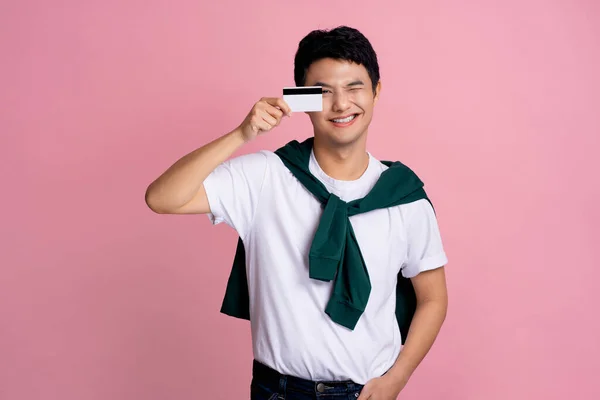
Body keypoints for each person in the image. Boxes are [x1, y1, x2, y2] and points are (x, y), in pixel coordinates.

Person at [145, 25, 449, 400]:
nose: (341, 105)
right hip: (279, 392)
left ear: (376, 91)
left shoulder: (404, 197)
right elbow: (162, 198)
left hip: (366, 393)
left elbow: (433, 297)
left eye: (354, 87)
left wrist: (397, 379)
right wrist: (242, 134)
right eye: (323, 92)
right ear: (302, 98)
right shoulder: (264, 177)